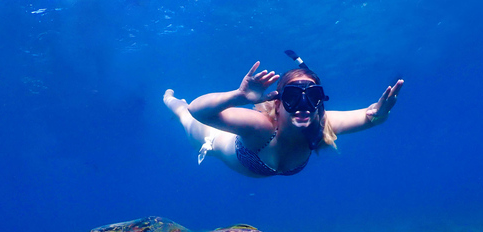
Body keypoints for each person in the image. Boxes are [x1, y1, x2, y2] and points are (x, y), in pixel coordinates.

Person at [163, 59, 403, 178]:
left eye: (312, 97)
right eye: (292, 97)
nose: (303, 106)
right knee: (185, 115)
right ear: (277, 104)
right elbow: (199, 111)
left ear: (320, 102)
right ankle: (171, 100)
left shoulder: (322, 125)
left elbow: (370, 117)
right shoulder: (261, 128)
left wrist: (380, 112)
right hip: (212, 137)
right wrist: (238, 96)